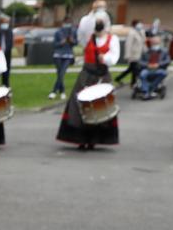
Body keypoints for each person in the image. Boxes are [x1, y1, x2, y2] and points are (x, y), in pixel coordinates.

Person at [56, 10, 119, 149]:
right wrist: (93, 11)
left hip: (102, 76)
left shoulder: (112, 39)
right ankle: (80, 138)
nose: (97, 24)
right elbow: (81, 31)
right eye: (96, 22)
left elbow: (114, 57)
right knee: (79, 105)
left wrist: (106, 58)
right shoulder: (88, 38)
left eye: (100, 22)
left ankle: (95, 139)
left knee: (100, 107)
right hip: (86, 75)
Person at [50, 15, 76, 99]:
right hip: (58, 54)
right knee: (59, 73)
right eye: (66, 22)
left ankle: (54, 91)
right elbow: (54, 44)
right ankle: (62, 91)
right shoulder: (58, 32)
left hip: (68, 55)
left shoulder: (73, 32)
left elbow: (76, 43)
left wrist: (72, 41)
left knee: (62, 73)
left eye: (69, 23)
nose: (68, 24)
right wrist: (61, 42)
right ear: (63, 23)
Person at [114, 20, 146, 87]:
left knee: (131, 69)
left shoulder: (141, 32)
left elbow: (143, 43)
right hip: (133, 55)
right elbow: (128, 44)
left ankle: (119, 79)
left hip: (139, 54)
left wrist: (145, 51)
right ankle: (133, 83)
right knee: (134, 69)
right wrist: (127, 56)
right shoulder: (131, 33)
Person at [0, 14, 14, 88]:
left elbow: (10, 43)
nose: (6, 24)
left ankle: (6, 85)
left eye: (7, 22)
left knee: (6, 72)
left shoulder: (9, 32)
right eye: (5, 22)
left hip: (7, 55)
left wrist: (6, 50)